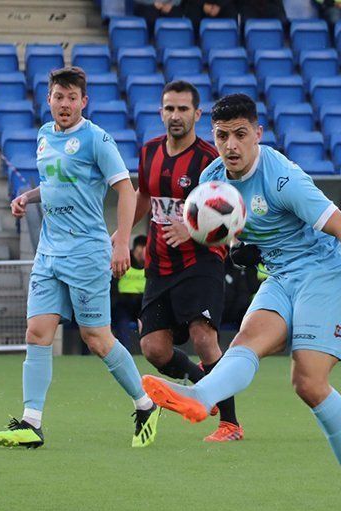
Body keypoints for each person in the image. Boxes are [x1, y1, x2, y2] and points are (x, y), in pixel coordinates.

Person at [139, 93, 341, 511]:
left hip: (328, 274)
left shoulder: (282, 179)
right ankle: (200, 397)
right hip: (281, 278)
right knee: (245, 343)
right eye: (222, 136)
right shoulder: (213, 176)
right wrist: (242, 248)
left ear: (258, 133)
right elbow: (229, 228)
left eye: (240, 134)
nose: (231, 145)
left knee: (307, 382)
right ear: (213, 137)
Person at [0, 66, 160, 450]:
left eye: (71, 98)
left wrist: (121, 244)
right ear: (48, 100)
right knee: (37, 332)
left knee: (96, 338)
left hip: (86, 250)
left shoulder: (97, 138)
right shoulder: (44, 135)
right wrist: (28, 197)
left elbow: (127, 191)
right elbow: (54, 182)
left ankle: (146, 404)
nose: (64, 104)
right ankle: (31, 423)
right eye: (58, 97)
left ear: (84, 102)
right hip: (49, 251)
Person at [128, 79, 243, 442]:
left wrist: (191, 227)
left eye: (182, 109)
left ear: (197, 113)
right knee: (153, 348)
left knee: (202, 336)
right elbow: (144, 198)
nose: (175, 116)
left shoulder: (210, 159)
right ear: (161, 112)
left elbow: (230, 210)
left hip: (202, 261)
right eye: (169, 108)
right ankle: (201, 388)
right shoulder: (149, 153)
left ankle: (231, 424)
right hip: (159, 265)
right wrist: (120, 234)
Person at [111, 235, 147, 351]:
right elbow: (114, 286)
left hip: (142, 303)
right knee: (122, 321)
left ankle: (149, 349)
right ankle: (123, 350)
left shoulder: (150, 265)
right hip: (123, 303)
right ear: (139, 248)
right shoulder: (124, 261)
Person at [223, 257, 260, 329]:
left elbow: (243, 296)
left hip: (234, 319)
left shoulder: (238, 270)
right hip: (216, 318)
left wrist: (231, 316)